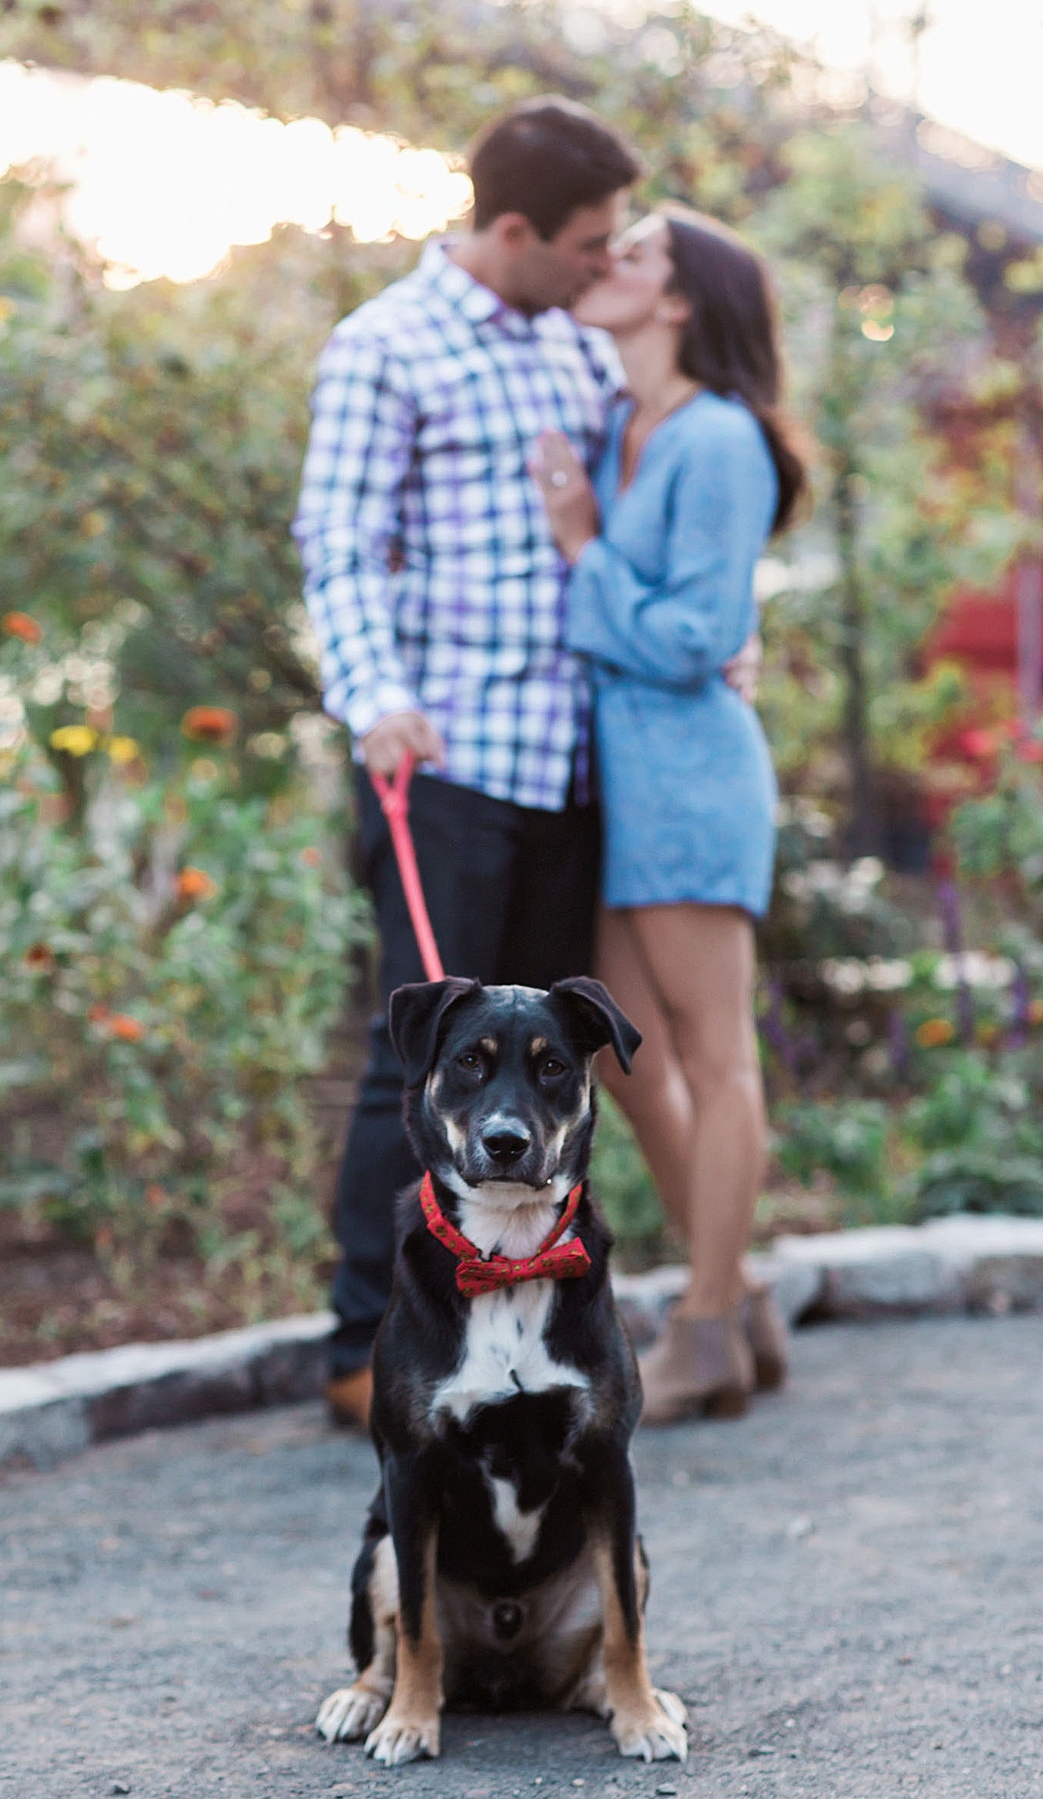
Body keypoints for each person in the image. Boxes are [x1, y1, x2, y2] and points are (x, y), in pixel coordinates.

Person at [293, 97, 640, 1429]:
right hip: (444, 760)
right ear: (513, 228)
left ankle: (538, 1329)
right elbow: (339, 542)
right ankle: (360, 1338)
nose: (605, 263)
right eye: (590, 242)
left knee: (549, 1069)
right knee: (421, 1062)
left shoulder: (577, 344)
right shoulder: (387, 344)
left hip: (573, 764)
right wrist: (374, 694)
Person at [531, 205, 808, 1424]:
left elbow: (699, 637)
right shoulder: (618, 423)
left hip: (692, 777)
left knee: (712, 1051)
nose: (607, 264)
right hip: (617, 784)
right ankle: (737, 1291)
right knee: (632, 1056)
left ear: (683, 299)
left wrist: (586, 549)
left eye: (633, 255)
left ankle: (704, 1326)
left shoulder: (721, 440)